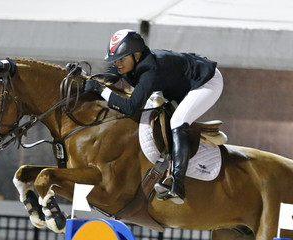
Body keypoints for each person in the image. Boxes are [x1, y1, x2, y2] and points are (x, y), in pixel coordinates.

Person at [84, 29, 223, 202]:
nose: (117, 63)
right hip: (182, 80)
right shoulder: (136, 61)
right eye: (115, 59)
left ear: (136, 55)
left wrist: (100, 89)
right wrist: (92, 78)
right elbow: (114, 71)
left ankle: (177, 185)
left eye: (121, 59)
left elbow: (130, 107)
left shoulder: (151, 71)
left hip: (207, 82)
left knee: (178, 122)